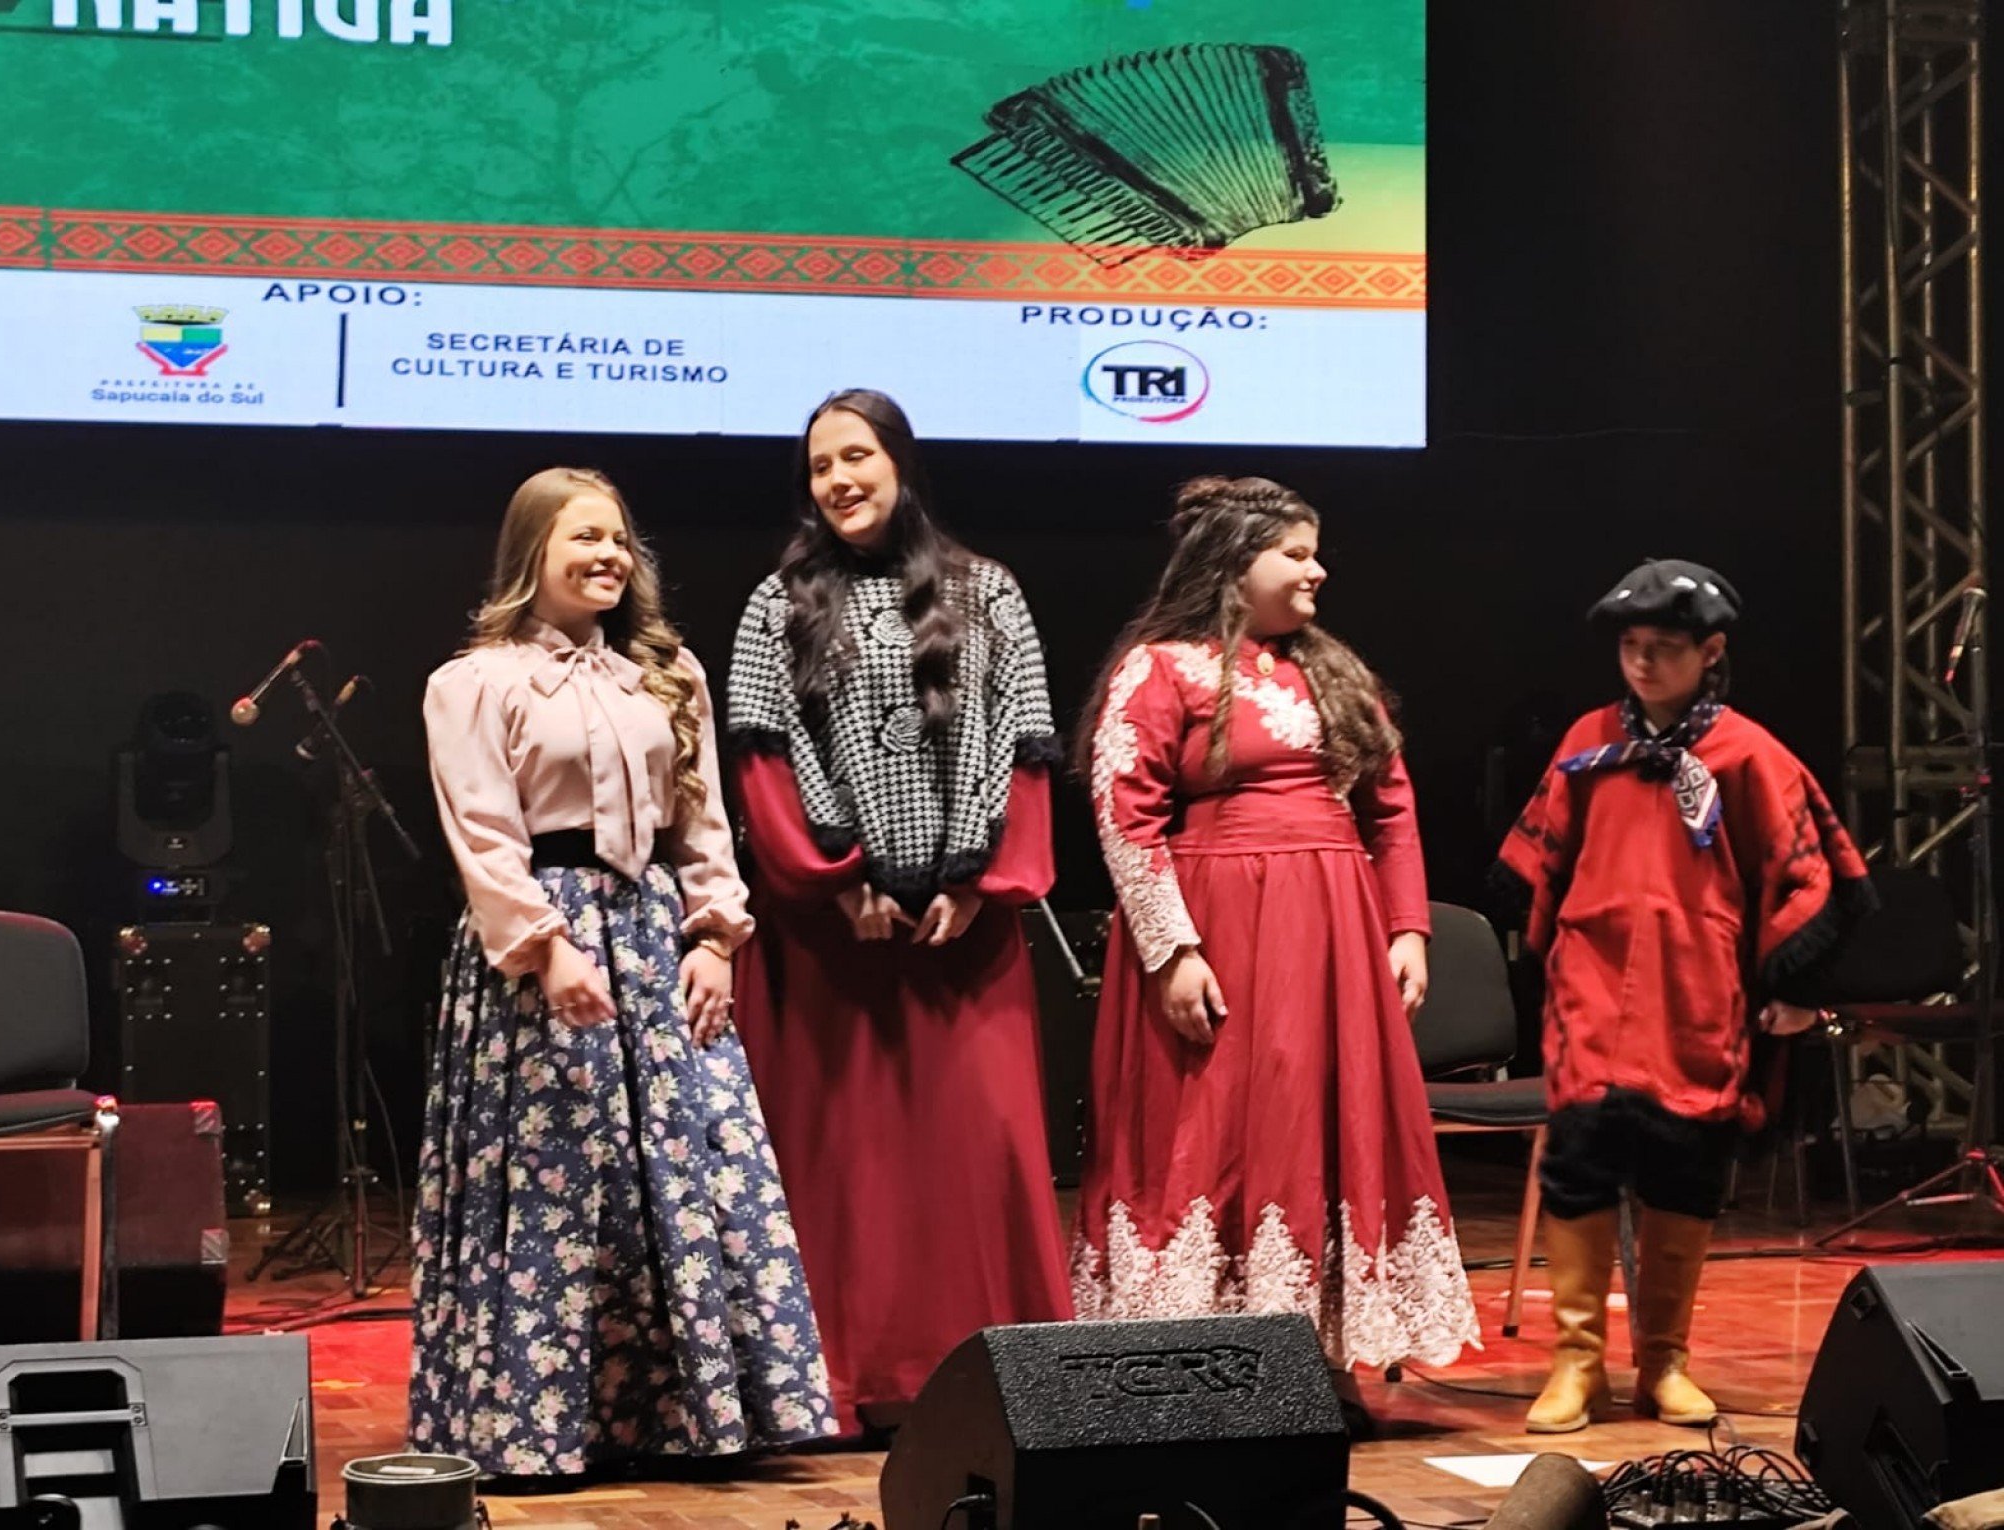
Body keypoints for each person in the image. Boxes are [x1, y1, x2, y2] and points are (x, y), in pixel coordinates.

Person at [409, 467, 834, 1481]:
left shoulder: (668, 670)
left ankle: (686, 1418)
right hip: (538, 948)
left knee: (689, 1177)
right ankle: (539, 1422)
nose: (608, 557)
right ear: (533, 556)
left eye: (619, 541)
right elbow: (483, 834)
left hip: (651, 939)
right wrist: (547, 945)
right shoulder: (473, 683)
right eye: (583, 539)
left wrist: (716, 938)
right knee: (556, 1180)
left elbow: (702, 822)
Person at [1071, 475, 1482, 1404]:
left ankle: (1322, 1355)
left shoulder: (1335, 673)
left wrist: (1408, 925)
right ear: (1232, 564)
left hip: (1334, 933)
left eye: (1314, 551)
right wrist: (1172, 950)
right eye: (1295, 553)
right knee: (1217, 1128)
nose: (1317, 570)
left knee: (1324, 1125)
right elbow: (1122, 813)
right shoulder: (1164, 668)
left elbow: (1393, 807)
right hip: (1227, 929)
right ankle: (1200, 1361)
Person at [725, 389, 1071, 1433]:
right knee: (853, 1169)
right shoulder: (776, 603)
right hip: (842, 943)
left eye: (857, 456)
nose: (838, 479)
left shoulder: (990, 592)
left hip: (966, 939)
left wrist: (979, 881)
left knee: (982, 1158)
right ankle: (848, 1379)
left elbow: (1025, 745)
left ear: (901, 463)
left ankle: (1001, 1373)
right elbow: (765, 763)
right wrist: (840, 880)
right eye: (820, 465)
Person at [1493, 558, 1872, 1433]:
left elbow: (1806, 876)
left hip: (1696, 989)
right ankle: (1575, 1365)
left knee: (1683, 1165)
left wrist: (1789, 987)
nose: (1642, 665)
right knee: (1580, 1160)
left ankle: (1663, 1362)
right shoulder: (1590, 740)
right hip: (1592, 981)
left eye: (1664, 649)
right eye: (1631, 647)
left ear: (1711, 652)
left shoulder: (1747, 752)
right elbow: (1540, 857)